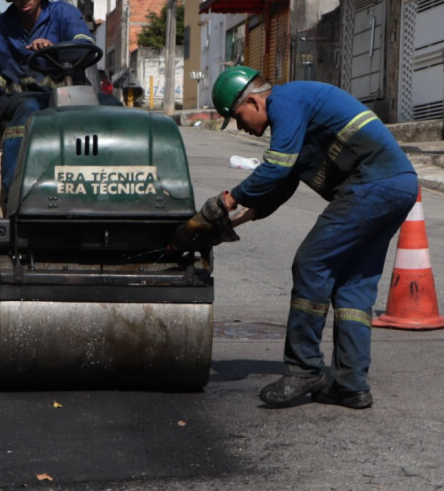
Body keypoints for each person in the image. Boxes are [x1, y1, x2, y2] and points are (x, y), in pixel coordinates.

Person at [173, 66, 417, 409]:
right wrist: (235, 220)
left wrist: (227, 201)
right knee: (353, 285)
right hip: (399, 185)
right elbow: (281, 184)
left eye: (238, 117)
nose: (241, 126)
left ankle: (304, 370)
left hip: (371, 184)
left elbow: (276, 167)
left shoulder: (285, 102)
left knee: (311, 263)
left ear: (255, 101)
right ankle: (350, 384)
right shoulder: (299, 112)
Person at [0, 0, 95, 192]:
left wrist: (55, 49)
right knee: (29, 110)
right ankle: (15, 190)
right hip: (18, 100)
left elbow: (85, 46)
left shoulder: (64, 14)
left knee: (112, 106)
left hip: (68, 98)